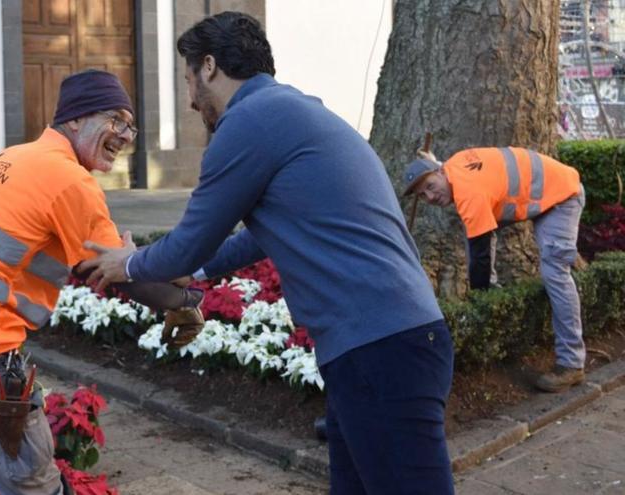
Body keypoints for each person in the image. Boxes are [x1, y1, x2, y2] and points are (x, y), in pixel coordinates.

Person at [79, 12, 456, 494]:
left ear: (209, 66)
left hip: (380, 349)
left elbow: (190, 240)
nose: (190, 100)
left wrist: (128, 263)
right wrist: (195, 269)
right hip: (385, 343)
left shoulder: (248, 123)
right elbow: (259, 236)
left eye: (188, 80)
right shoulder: (289, 111)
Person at [0, 70, 202, 495]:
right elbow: (122, 273)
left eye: (130, 126)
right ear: (75, 119)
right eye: (116, 120)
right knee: (34, 487)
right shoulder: (69, 179)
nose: (125, 135)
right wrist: (184, 300)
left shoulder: (11, 158)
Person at [403, 147, 586, 393]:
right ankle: (493, 288)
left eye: (430, 186)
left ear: (441, 172)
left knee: (555, 272)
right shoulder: (454, 165)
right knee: (476, 229)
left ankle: (572, 362)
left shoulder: (469, 193)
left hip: (563, 196)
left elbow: (480, 255)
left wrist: (481, 303)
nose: (430, 197)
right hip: (540, 190)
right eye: (422, 195)